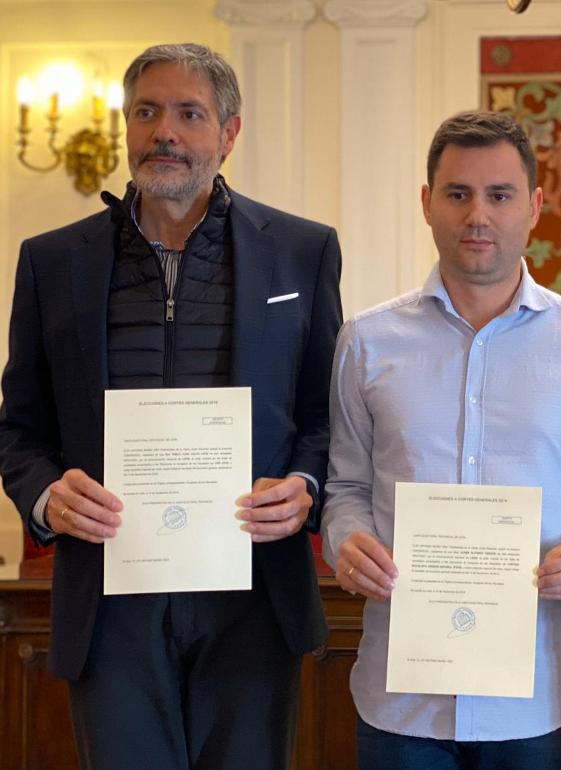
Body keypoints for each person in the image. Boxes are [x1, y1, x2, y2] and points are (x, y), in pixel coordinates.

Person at [0, 43, 342, 769]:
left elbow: (326, 415)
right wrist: (44, 498)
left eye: (190, 114)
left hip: (253, 594)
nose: (166, 132)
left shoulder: (304, 253)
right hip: (109, 598)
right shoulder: (52, 261)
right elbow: (19, 429)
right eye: (148, 112)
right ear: (126, 126)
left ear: (229, 133)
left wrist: (305, 487)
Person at [321, 110, 561, 770]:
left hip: (542, 690)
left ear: (534, 206)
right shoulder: (366, 341)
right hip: (402, 694)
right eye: (458, 193)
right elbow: (346, 488)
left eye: (499, 195)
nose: (478, 215)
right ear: (427, 203)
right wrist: (344, 541)